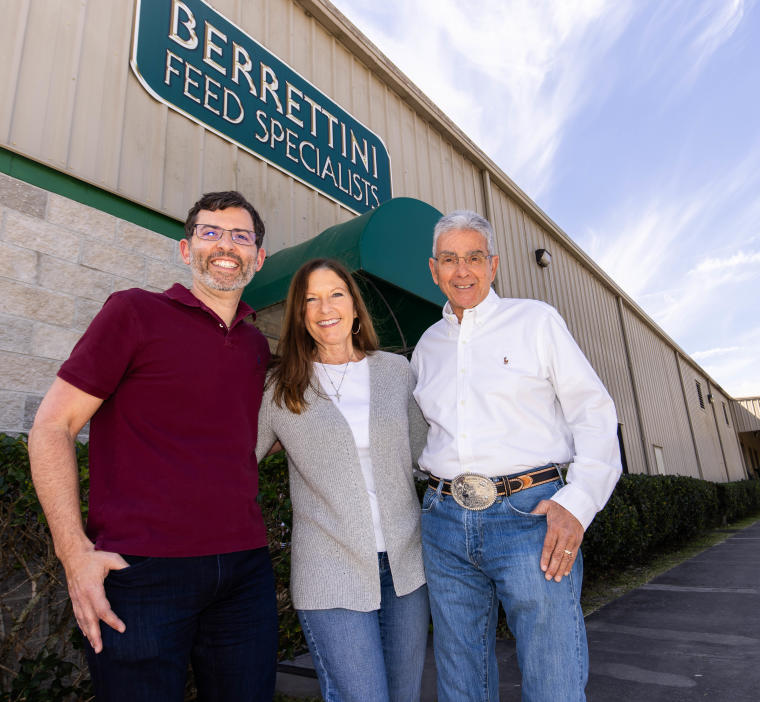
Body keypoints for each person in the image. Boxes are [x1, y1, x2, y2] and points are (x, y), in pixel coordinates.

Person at [28, 191, 276, 701]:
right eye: (210, 232)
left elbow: (234, 442)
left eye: (240, 236)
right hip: (142, 572)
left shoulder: (255, 346)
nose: (225, 245)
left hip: (244, 571)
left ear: (258, 256)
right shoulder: (134, 312)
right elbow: (52, 427)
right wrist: (75, 554)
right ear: (186, 250)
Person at [412, 210, 622, 701]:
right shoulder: (427, 347)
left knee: (553, 671)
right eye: (449, 259)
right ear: (433, 269)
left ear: (494, 264)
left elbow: (592, 410)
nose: (461, 271)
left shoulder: (536, 321)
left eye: (474, 257)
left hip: (532, 516)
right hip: (444, 522)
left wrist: (580, 500)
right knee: (459, 671)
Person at [256, 258, 429, 702]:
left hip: (407, 567)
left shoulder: (395, 371)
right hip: (329, 571)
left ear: (354, 306)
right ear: (299, 315)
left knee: (403, 696)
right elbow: (232, 465)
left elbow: (427, 455)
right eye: (309, 299)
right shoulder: (280, 388)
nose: (323, 307)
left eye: (335, 294)